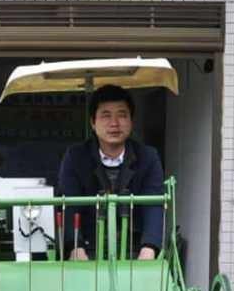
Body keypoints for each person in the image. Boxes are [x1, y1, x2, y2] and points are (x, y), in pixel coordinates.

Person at [57, 84, 164, 260]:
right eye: (106, 115)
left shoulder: (148, 157)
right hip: (87, 248)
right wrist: (75, 247)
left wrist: (149, 248)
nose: (114, 123)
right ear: (93, 122)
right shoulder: (76, 157)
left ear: (131, 121)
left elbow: (153, 205)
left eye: (122, 115)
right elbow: (68, 205)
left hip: (134, 249)